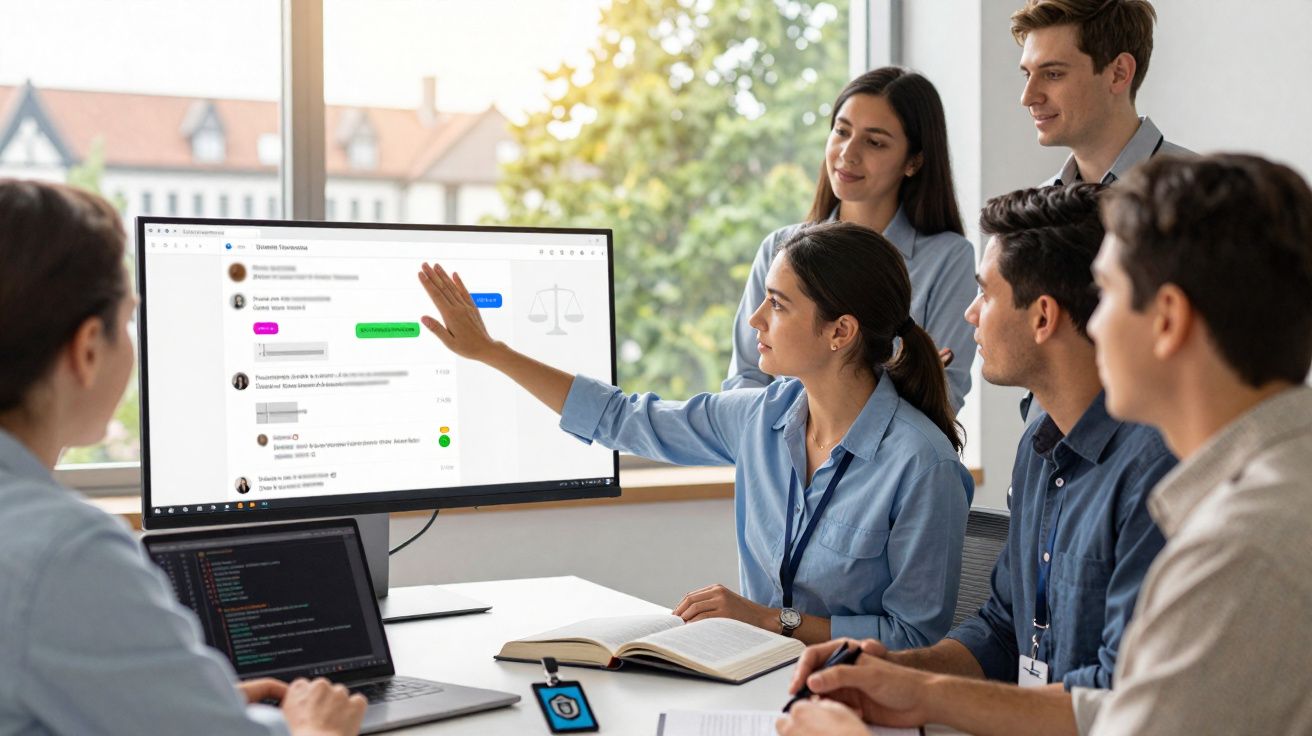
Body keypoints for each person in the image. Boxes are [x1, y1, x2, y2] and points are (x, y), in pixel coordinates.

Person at [775, 154, 1312, 735]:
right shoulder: (1254, 487)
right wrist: (917, 685)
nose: (1095, 322)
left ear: (1167, 320)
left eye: (1107, 294)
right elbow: (1112, 702)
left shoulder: (1240, 547)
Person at [420, 221, 973, 648]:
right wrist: (492, 353)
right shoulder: (761, 416)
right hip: (754, 676)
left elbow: (912, 638)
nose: (755, 319)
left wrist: (769, 619)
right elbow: (621, 418)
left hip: (854, 705)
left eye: (777, 305)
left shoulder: (923, 465)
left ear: (841, 331)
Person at [0, 179, 366, 736]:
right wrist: (319, 729)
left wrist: (176, 697)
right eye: (129, 319)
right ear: (88, 348)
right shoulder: (65, 553)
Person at [725, 68, 976, 414]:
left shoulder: (948, 258)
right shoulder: (777, 249)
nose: (848, 153)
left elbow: (940, 399)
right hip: (778, 465)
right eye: (842, 131)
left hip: (889, 468)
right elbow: (743, 384)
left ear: (914, 161)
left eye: (874, 142)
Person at [1014, 0, 1192, 187]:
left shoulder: (1207, 198)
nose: (1027, 98)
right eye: (1027, 74)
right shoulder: (1035, 211)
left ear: (1118, 74)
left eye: (1053, 74)